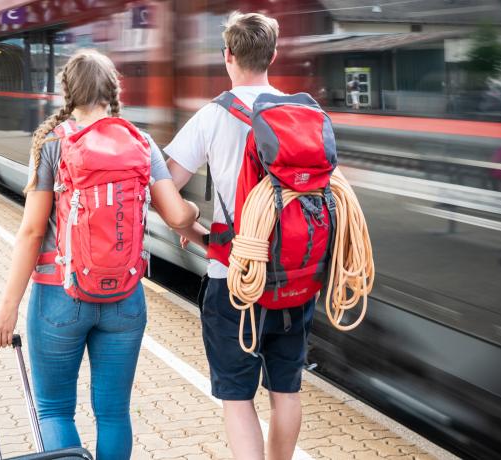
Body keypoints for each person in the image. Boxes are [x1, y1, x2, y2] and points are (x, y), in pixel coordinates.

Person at [0, 49, 200, 460]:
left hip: (58, 296)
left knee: (54, 409)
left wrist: (7, 308)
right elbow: (175, 215)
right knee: (115, 414)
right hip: (125, 298)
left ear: (67, 92)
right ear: (113, 91)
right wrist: (194, 212)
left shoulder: (52, 143)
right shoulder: (143, 142)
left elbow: (31, 231)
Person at [165, 12, 313, 460]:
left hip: (233, 276)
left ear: (227, 56)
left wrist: (193, 228)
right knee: (286, 389)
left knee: (238, 396)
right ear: (272, 54)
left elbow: (165, 188)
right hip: (294, 276)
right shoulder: (305, 112)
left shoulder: (213, 115)